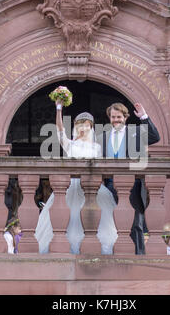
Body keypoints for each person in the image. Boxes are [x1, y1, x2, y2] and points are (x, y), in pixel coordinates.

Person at [34, 97, 118, 255]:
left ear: (91, 128)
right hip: (71, 187)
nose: (83, 128)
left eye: (87, 125)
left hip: (93, 188)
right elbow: (59, 130)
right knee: (70, 219)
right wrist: (59, 108)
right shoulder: (69, 144)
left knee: (98, 220)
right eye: (80, 125)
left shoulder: (98, 147)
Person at [99, 102, 160, 255]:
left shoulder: (136, 132)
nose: (116, 120)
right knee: (110, 222)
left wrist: (144, 117)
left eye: (119, 117)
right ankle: (113, 256)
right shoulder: (102, 137)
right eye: (113, 117)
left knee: (135, 224)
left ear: (125, 117)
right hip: (109, 186)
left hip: (133, 185)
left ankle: (138, 257)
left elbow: (155, 137)